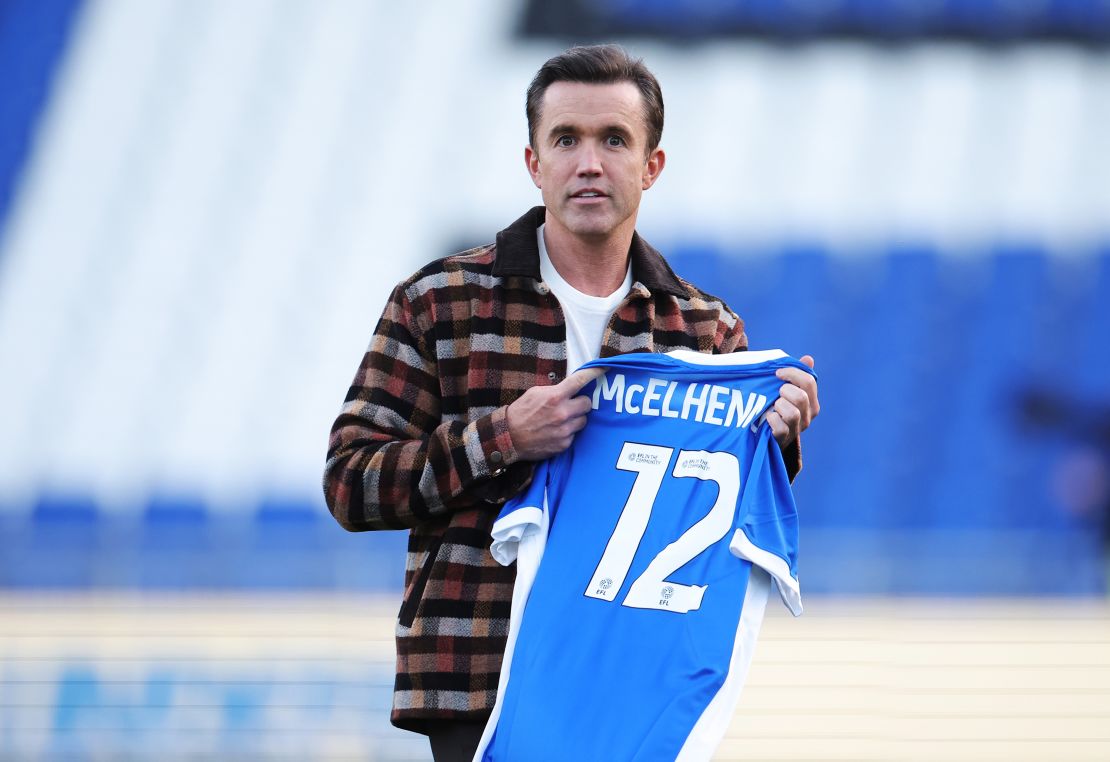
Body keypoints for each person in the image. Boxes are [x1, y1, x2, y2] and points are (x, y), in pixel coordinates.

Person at [323, 44, 820, 762]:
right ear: (534, 163)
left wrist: (779, 440)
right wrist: (500, 438)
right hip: (481, 676)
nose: (589, 162)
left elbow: (718, 507)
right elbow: (350, 483)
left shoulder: (706, 328)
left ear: (651, 166)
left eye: (614, 139)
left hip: (632, 678)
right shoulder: (438, 303)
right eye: (567, 140)